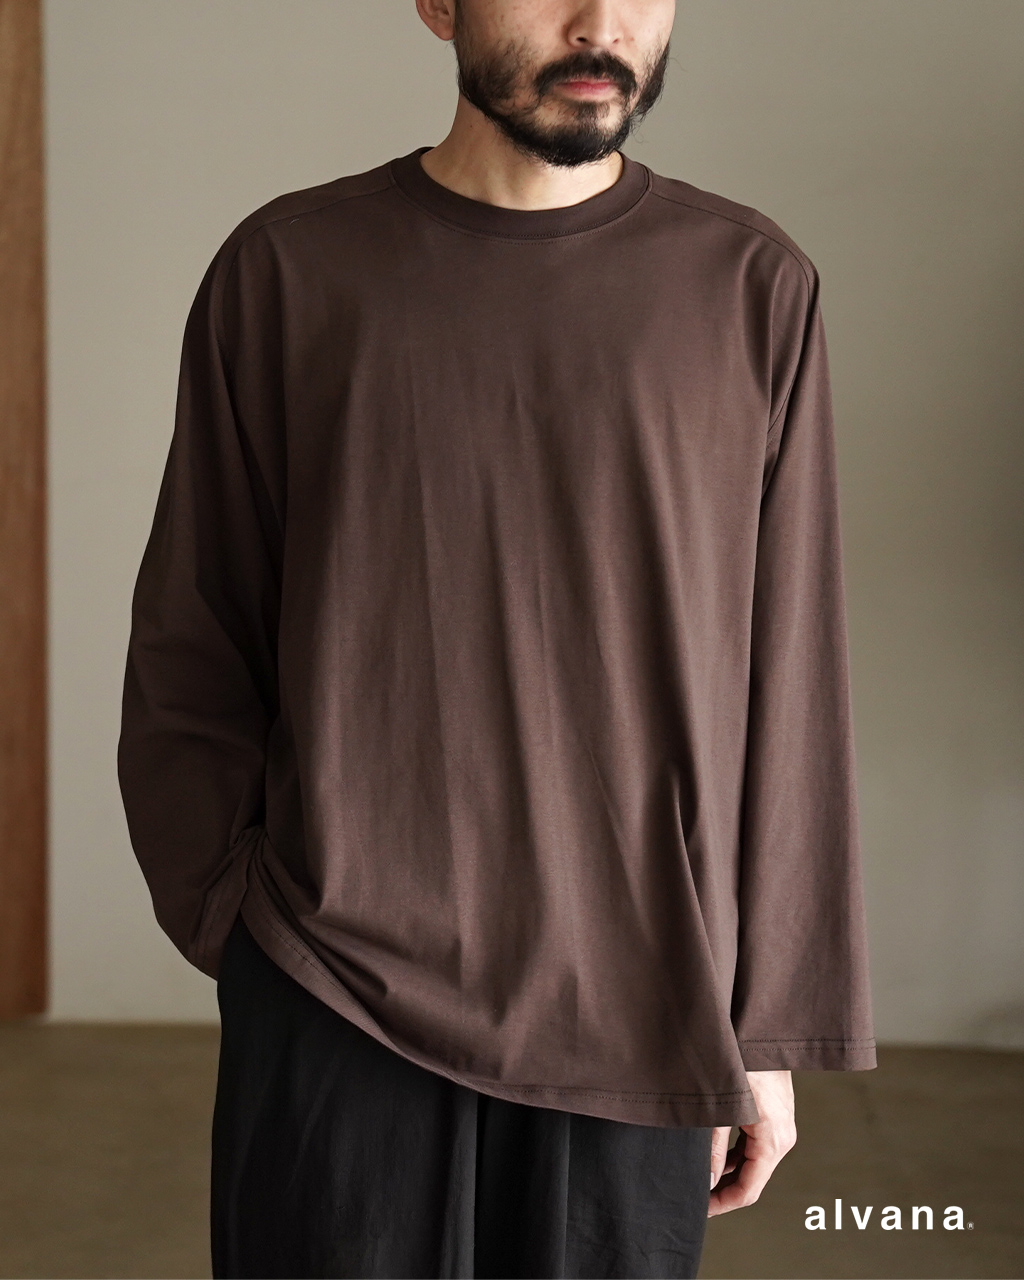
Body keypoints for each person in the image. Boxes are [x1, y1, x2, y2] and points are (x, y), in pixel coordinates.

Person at [117, 1, 876, 1276]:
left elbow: (790, 676)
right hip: (333, 980)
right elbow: (198, 625)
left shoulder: (749, 285)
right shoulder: (292, 269)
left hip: (643, 998)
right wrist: (238, 920)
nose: (599, 23)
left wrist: (769, 1026)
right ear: (437, 2)